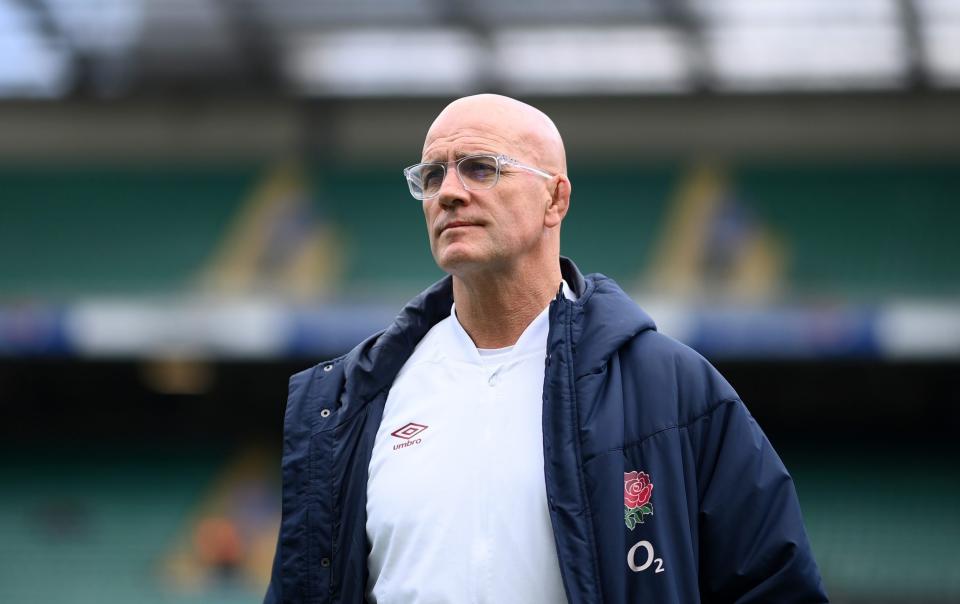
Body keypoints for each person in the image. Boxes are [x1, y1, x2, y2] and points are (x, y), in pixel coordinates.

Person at [264, 94, 827, 603]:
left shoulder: (674, 389)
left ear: (555, 198)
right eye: (433, 176)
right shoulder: (350, 401)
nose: (451, 192)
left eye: (482, 168)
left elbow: (774, 586)